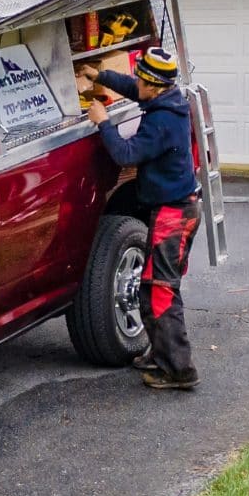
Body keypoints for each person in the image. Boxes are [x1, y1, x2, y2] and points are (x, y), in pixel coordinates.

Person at [83, 46, 202, 390]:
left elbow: (125, 154)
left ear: (156, 85)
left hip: (175, 214)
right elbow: (134, 88)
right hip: (171, 208)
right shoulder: (166, 97)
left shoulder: (162, 122)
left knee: (160, 292)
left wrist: (103, 122)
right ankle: (160, 354)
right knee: (152, 286)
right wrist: (100, 76)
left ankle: (179, 370)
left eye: (141, 79)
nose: (136, 83)